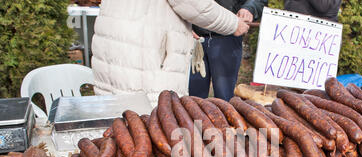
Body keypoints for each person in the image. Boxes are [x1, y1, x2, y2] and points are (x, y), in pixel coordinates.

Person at [91, 0, 249, 106]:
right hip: (142, 50)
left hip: (117, 41)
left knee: (119, 121)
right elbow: (195, 5)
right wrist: (233, 24)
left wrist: (181, 27)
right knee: (147, 119)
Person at [189, 0, 267, 101]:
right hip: (193, 36)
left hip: (228, 37)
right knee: (191, 98)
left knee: (224, 97)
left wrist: (249, 8)